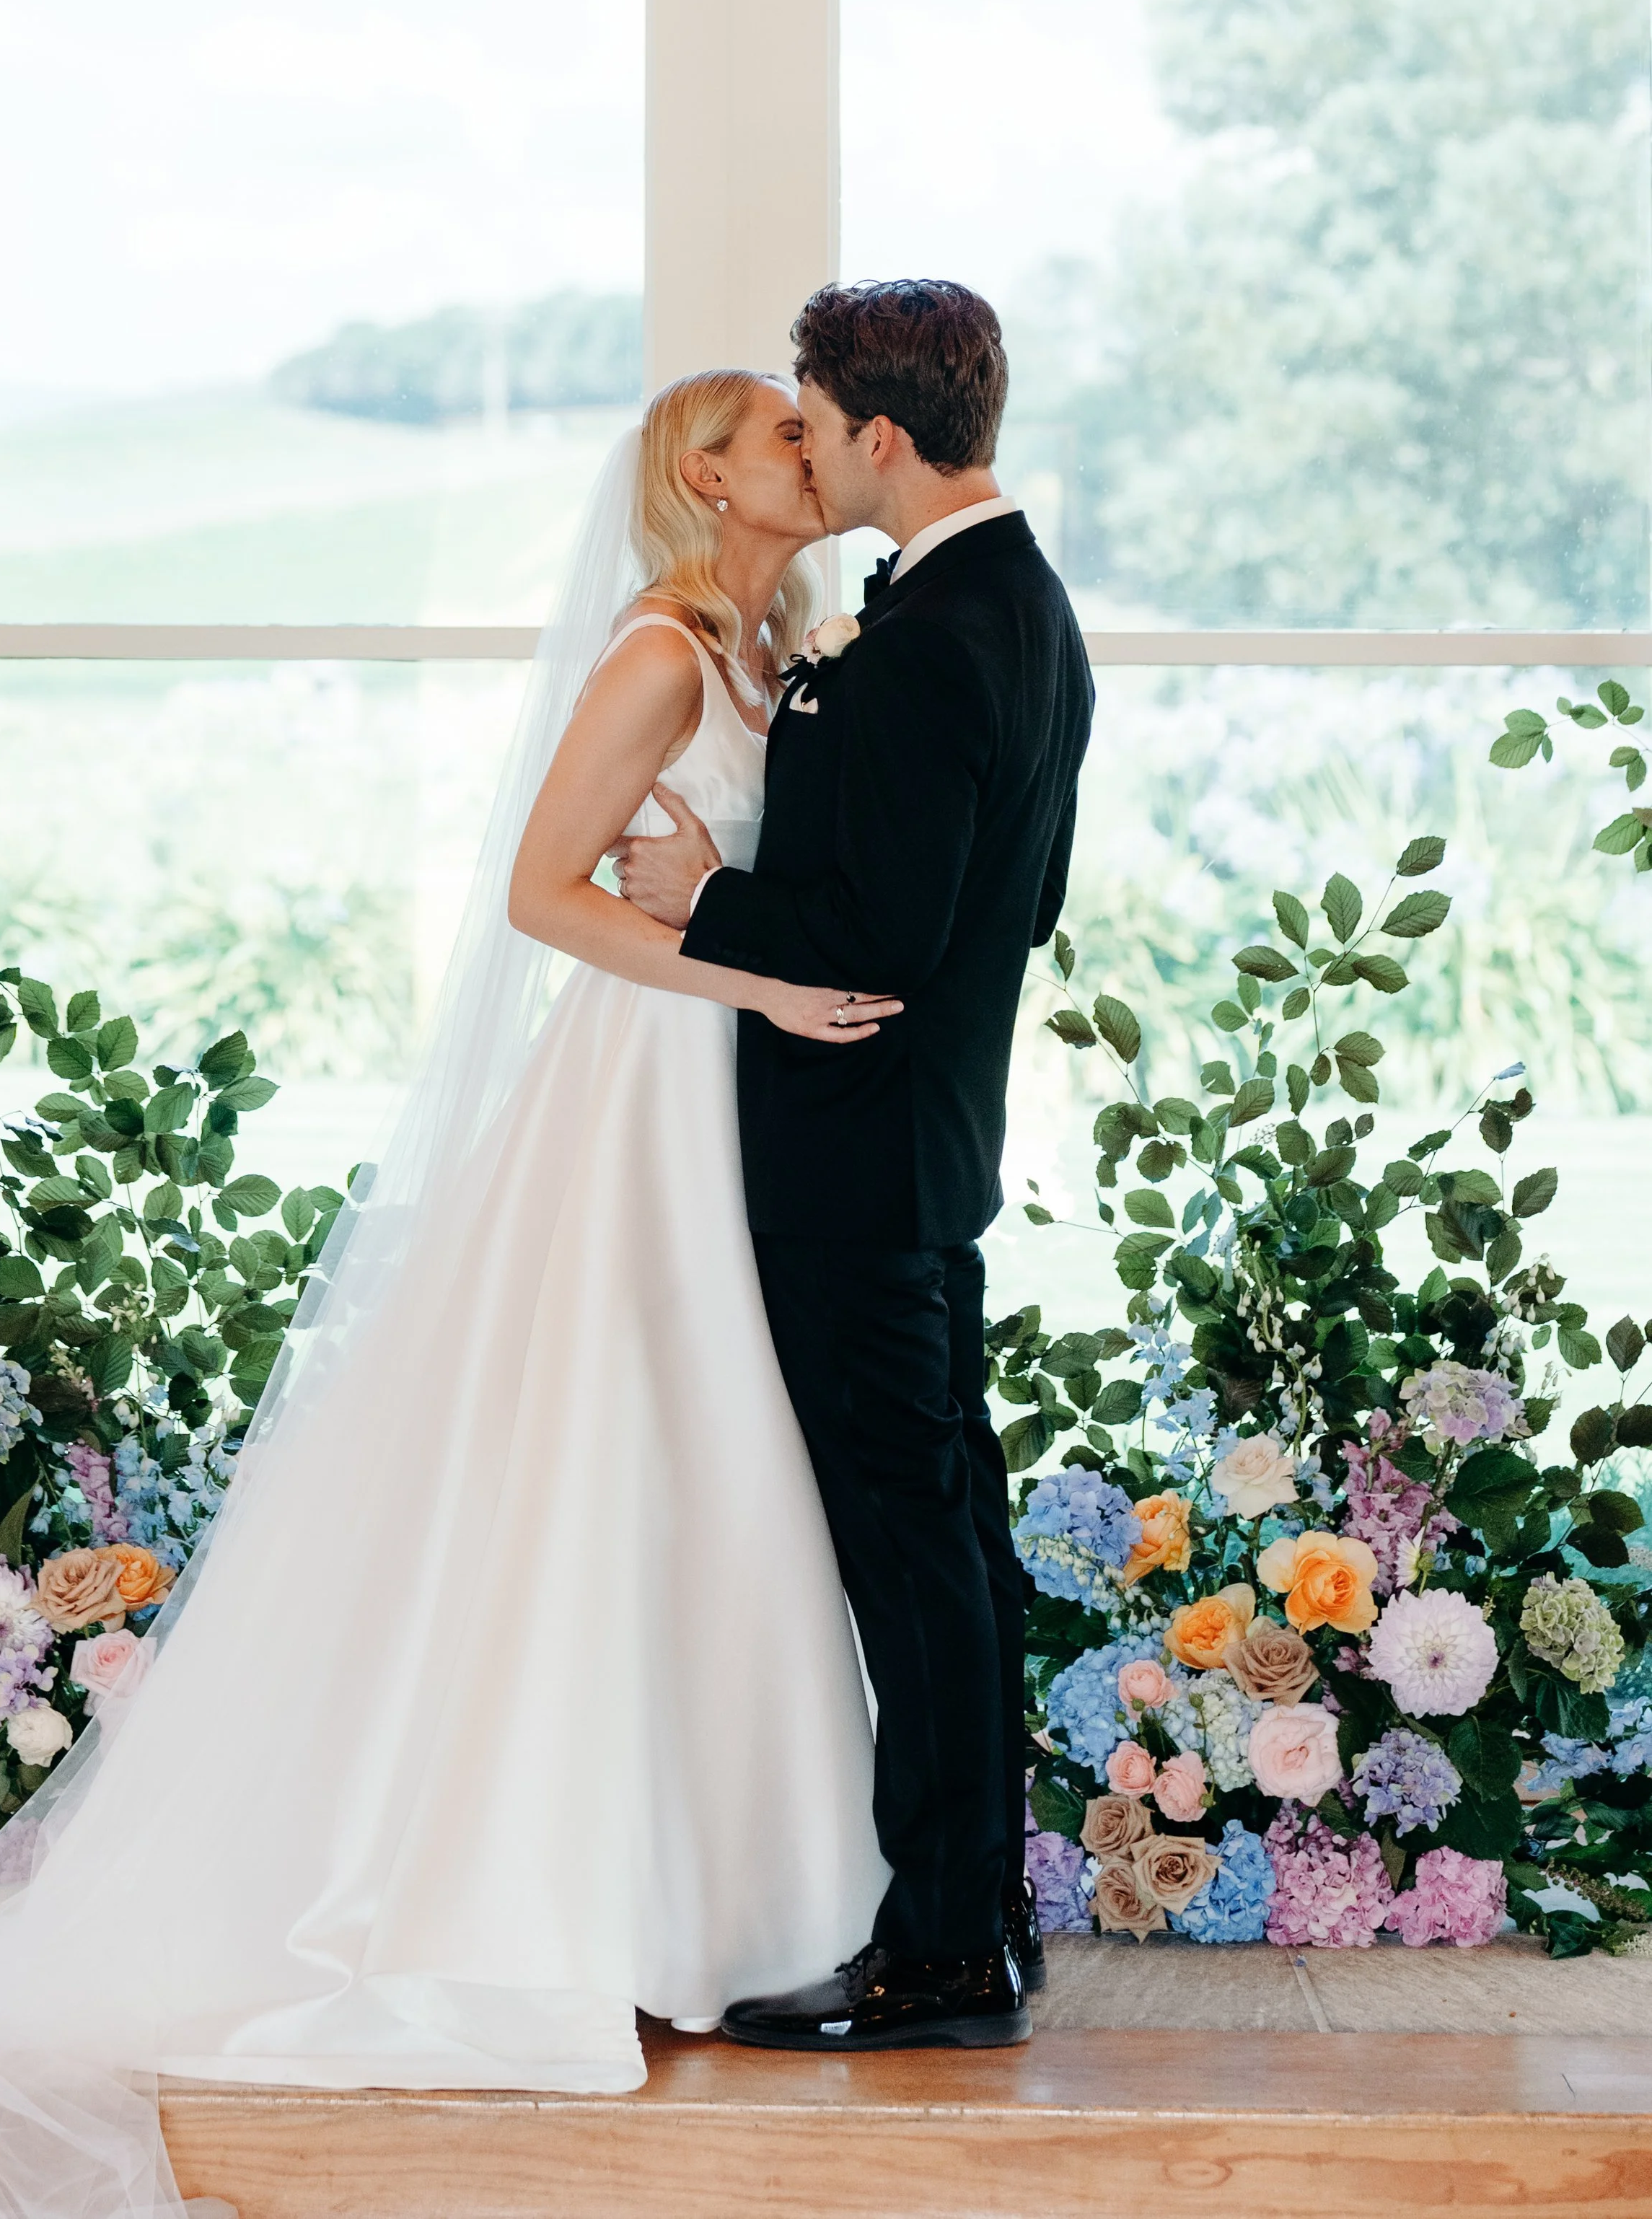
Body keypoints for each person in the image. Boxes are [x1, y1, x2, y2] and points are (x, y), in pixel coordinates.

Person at [0, 371, 894, 2219]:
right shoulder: (658, 654)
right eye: (782, 434)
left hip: (733, 1091)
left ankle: (732, 1895)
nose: (815, 453)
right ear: (705, 473)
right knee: (620, 1452)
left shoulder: (771, 649)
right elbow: (541, 896)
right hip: (650, 1090)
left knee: (719, 1468)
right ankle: (560, 1899)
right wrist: (755, 983)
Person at [615, 278, 1094, 2055]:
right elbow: (1012, 907)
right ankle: (982, 1915)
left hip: (853, 1158)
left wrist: (709, 899)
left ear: (881, 434)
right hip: (929, 1149)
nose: (805, 451)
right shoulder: (1024, 607)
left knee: (910, 1556)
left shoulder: (921, 645)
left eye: (813, 423)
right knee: (950, 1533)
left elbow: (878, 937)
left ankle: (942, 1952)